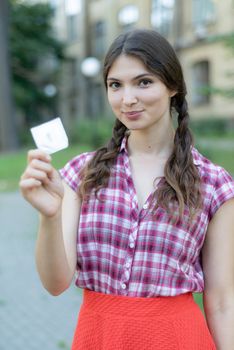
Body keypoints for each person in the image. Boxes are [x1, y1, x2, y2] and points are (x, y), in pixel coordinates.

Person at [19, 29, 234, 350]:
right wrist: (49, 216)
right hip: (100, 337)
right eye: (115, 85)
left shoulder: (214, 183)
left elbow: (222, 302)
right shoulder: (83, 173)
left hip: (178, 339)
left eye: (143, 82)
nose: (127, 98)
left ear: (172, 86)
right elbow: (55, 284)